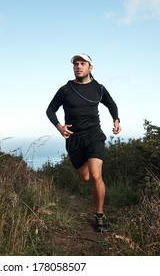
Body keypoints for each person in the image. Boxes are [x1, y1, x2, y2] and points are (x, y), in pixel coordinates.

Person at [46, 53, 121, 232]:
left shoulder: (99, 89)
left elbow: (111, 104)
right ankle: (89, 162)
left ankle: (99, 216)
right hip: (74, 139)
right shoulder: (65, 89)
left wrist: (116, 119)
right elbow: (50, 110)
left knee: (96, 175)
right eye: (75, 64)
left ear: (90, 68)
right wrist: (59, 127)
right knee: (85, 177)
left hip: (94, 135)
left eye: (82, 63)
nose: (78, 66)